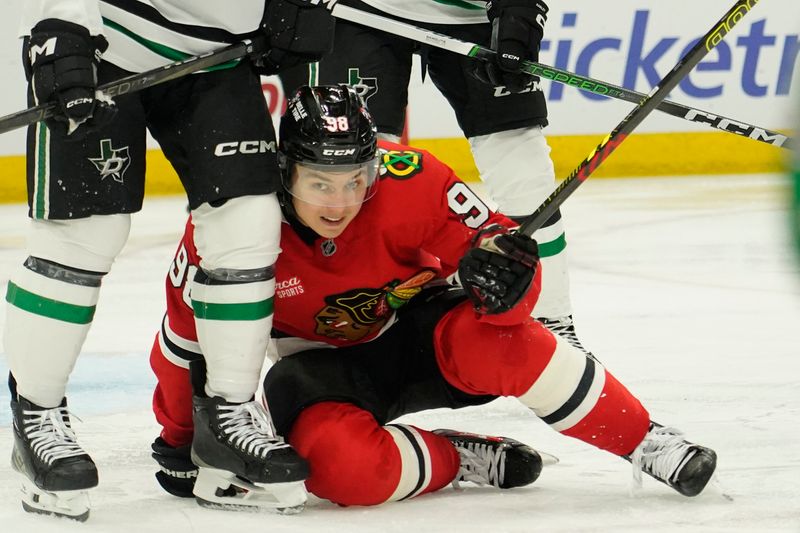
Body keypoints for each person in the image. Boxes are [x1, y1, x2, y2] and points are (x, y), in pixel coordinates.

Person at [149, 84, 718, 509]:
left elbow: (506, 261)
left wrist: (508, 283)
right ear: (282, 172)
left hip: (420, 331)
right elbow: (182, 344)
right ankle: (456, 456)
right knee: (341, 471)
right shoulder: (230, 228)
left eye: (355, 181)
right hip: (318, 368)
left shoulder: (410, 178)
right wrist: (178, 439)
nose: (339, 203)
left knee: (509, 341)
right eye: (319, 182)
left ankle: (645, 441)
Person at [4, 0, 336, 520]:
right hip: (103, 43)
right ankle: (37, 417)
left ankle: (229, 417)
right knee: (81, 236)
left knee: (248, 224)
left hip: (216, 50)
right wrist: (60, 25)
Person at [279, 0, 589, 352]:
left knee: (523, 168)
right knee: (352, 164)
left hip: (474, 12)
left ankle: (550, 320)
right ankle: (355, 330)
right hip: (361, 8)